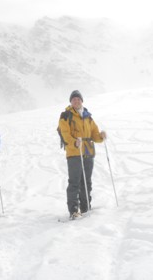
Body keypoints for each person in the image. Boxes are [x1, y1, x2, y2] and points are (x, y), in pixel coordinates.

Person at [58, 90, 107, 219]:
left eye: (78, 99)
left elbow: (94, 134)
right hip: (74, 153)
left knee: (86, 182)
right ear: (71, 102)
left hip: (88, 152)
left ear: (82, 101)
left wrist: (101, 136)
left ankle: (86, 207)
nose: (76, 101)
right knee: (74, 182)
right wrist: (75, 142)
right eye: (74, 99)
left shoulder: (88, 117)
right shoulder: (66, 115)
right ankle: (74, 210)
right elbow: (65, 133)